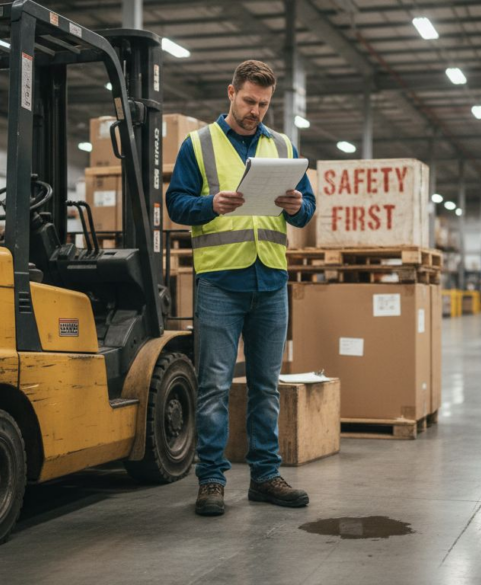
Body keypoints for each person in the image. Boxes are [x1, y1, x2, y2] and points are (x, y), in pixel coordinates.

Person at [165, 60, 315, 517]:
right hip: (220, 282)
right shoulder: (198, 144)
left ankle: (265, 477)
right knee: (214, 386)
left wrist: (297, 205)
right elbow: (176, 204)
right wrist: (209, 204)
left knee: (266, 387)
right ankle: (211, 480)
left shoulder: (282, 146)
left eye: (264, 104)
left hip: (270, 280)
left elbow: (307, 207)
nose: (256, 111)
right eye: (249, 101)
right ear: (231, 93)